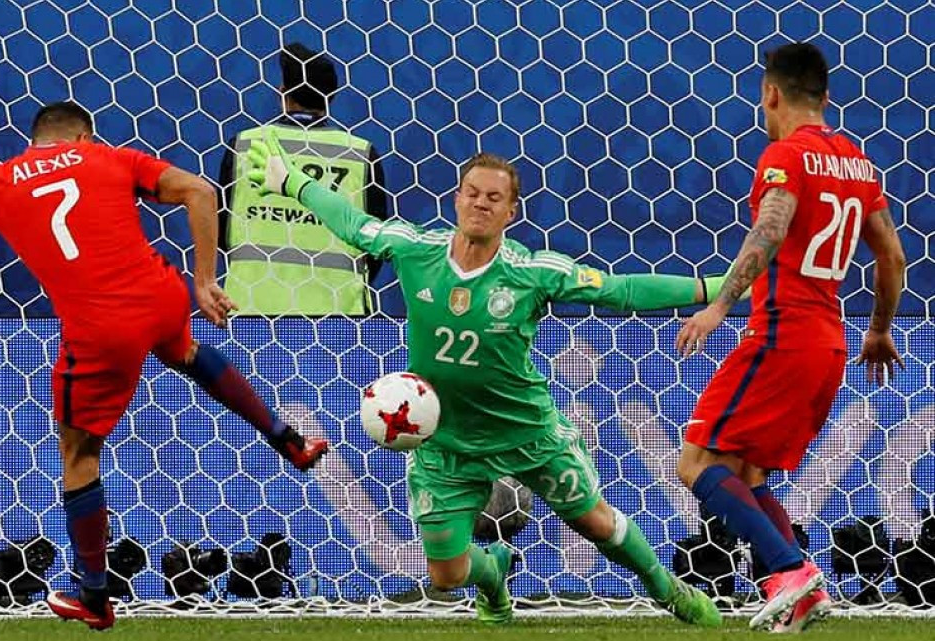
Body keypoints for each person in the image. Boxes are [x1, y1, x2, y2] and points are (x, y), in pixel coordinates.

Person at [249, 134, 724, 626]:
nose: (481, 203)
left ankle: (670, 592)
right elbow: (356, 224)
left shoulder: (531, 272)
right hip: (446, 442)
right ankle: (494, 574)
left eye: (494, 197)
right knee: (447, 575)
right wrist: (293, 182)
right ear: (456, 199)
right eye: (472, 192)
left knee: (597, 523)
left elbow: (621, 291)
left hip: (526, 434)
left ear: (511, 211)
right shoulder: (416, 249)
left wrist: (713, 287)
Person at [0, 102, 328, 629]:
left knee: (78, 455)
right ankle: (289, 440)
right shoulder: (110, 158)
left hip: (100, 329)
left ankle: (94, 596)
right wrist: (205, 279)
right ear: (83, 136)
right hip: (160, 293)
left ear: (37, 142)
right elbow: (201, 191)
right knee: (185, 350)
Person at [673, 42, 906, 633]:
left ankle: (788, 571)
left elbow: (770, 228)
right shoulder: (858, 163)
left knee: (696, 462)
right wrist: (878, 329)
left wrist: (720, 306)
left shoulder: (786, 154)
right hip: (831, 342)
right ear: (825, 97)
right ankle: (801, 582)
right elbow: (894, 256)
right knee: (745, 475)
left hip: (781, 334)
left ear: (770, 94)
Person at [218, 42, 388, 315]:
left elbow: (221, 230)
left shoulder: (244, 145)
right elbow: (377, 244)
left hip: (249, 312)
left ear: (283, 94)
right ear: (330, 98)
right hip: (339, 318)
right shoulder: (360, 154)